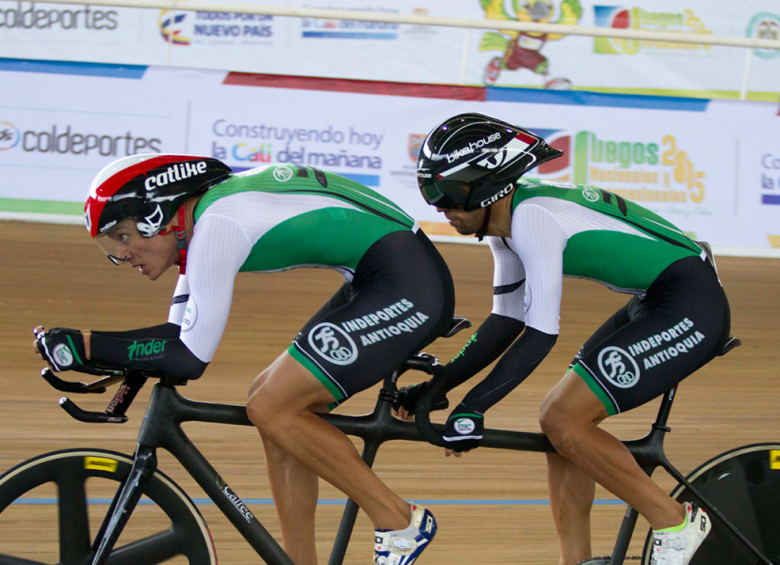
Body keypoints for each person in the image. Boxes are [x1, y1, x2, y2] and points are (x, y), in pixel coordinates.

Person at [33, 154, 455, 565]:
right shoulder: (199, 232)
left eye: (123, 236)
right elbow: (173, 340)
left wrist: (87, 345)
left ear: (156, 215)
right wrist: (102, 356)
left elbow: (189, 358)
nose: (122, 254)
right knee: (273, 408)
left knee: (272, 406)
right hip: (380, 276)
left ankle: (398, 520)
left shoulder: (218, 224)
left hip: (409, 285)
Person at [402, 113, 732, 565]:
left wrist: (473, 407)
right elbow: (505, 322)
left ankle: (675, 521)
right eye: (431, 194)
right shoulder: (505, 229)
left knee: (564, 419)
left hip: (691, 303)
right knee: (560, 425)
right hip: (655, 300)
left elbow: (541, 332)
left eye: (450, 195)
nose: (442, 208)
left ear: (488, 186)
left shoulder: (532, 218)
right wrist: (438, 387)